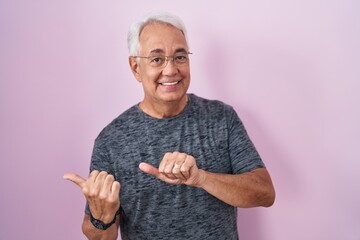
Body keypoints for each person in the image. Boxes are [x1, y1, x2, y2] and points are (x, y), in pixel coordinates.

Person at [64, 11, 275, 240]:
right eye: (157, 59)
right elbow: (100, 236)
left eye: (180, 57)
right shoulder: (111, 140)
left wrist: (201, 178)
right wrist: (100, 217)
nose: (171, 70)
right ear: (136, 67)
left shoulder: (221, 118)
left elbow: (264, 193)